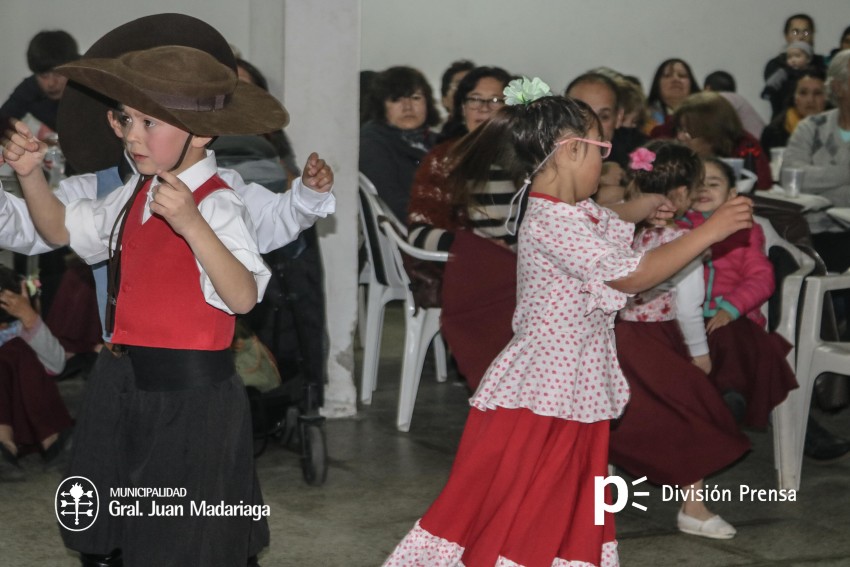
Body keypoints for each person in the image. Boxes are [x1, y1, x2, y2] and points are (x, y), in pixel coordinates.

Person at [382, 78, 754, 567]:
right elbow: (634, 274)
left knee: (564, 498)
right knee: (515, 501)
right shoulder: (551, 220)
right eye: (602, 150)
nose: (605, 164)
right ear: (572, 150)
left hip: (573, 389)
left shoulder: (570, 211)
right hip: (540, 396)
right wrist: (710, 230)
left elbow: (605, 218)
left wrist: (643, 206)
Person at [1, 35, 328, 567]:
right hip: (124, 381)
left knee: (179, 534)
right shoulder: (136, 190)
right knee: (114, 517)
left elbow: (243, 296)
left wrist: (193, 224)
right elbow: (61, 227)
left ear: (199, 133)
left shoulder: (217, 200)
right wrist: (32, 174)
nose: (132, 136)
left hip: (188, 398)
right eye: (127, 120)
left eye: (148, 123)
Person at [611, 142, 750, 540]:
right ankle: (693, 507)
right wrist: (701, 354)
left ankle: (601, 497)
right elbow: (689, 307)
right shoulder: (686, 242)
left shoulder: (618, 228)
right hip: (656, 341)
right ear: (683, 194)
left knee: (616, 414)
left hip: (613, 336)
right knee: (690, 415)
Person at [677, 158, 798, 430]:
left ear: (732, 194)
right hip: (684, 316)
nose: (703, 189)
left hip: (731, 313)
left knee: (742, 340)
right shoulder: (677, 229)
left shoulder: (744, 229)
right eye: (696, 183)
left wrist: (730, 308)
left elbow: (761, 277)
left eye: (713, 183)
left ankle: (731, 399)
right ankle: (720, 404)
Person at [0, 266, 74, 482]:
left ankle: (54, 442)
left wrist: (29, 317)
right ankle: (4, 444)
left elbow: (57, 363)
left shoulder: (23, 330)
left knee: (17, 348)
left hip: (28, 418)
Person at [783, 49, 850, 272]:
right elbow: (791, 177)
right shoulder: (812, 127)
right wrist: (845, 172)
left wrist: (821, 183)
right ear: (838, 87)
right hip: (817, 232)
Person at [360, 65, 440, 221]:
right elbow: (392, 203)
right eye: (396, 99)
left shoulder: (439, 141)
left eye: (416, 98)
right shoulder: (371, 143)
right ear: (381, 106)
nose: (408, 107)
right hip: (409, 234)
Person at [566, 71, 648, 204]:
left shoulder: (637, 148)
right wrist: (598, 181)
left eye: (604, 117)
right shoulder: (545, 157)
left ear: (619, 118)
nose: (593, 124)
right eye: (581, 115)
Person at [670, 92, 773, 189]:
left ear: (712, 133)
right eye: (680, 129)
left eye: (688, 131)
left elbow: (761, 188)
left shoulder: (747, 148)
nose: (680, 137)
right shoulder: (677, 154)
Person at [0, 29, 79, 137]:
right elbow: (3, 121)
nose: (51, 83)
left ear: (72, 68)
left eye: (58, 74)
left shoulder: (91, 82)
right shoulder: (30, 89)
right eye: (44, 76)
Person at [761, 67, 827, 153]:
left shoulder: (840, 128)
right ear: (794, 97)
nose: (810, 100)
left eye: (817, 93)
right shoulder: (773, 132)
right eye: (803, 93)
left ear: (827, 97)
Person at [764, 14, 827, 85]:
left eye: (806, 32)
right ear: (786, 36)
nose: (801, 37)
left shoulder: (822, 63)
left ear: (813, 35)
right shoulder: (775, 65)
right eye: (795, 32)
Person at [645, 58, 700, 135]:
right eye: (667, 76)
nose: (675, 79)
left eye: (682, 75)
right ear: (657, 83)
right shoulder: (644, 115)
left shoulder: (704, 114)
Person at [763, 41, 814, 118]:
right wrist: (769, 89)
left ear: (808, 59)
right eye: (789, 57)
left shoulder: (814, 73)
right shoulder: (784, 72)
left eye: (797, 56)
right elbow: (774, 81)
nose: (793, 60)